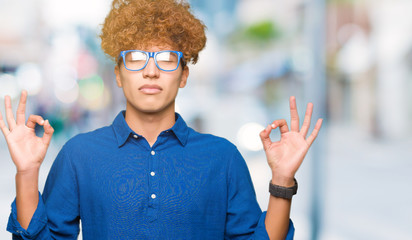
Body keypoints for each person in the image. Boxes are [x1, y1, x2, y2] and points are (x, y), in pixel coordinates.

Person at [0, 0, 322, 239]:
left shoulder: (223, 158)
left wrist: (281, 180)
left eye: (168, 59)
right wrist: (26, 173)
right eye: (136, 58)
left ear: (183, 75)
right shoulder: (79, 154)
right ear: (117, 75)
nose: (151, 70)